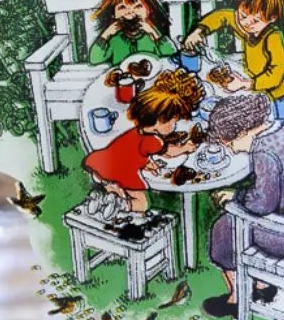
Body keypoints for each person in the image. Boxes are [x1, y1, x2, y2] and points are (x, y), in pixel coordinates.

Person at [202, 89, 284, 318]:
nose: (231, 149)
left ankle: (238, 297)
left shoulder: (263, 150)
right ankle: (262, 287)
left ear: (244, 131)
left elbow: (262, 204)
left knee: (223, 229)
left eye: (230, 142)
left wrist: (235, 197)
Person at [183, 0, 284, 125]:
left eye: (255, 20)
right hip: (263, 89)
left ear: (272, 19)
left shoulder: (273, 36)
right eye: (243, 15)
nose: (246, 23)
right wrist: (200, 31)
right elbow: (221, 16)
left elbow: (275, 74)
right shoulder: (243, 25)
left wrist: (244, 84)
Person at [81, 67, 203, 215]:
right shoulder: (154, 141)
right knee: (143, 203)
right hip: (120, 172)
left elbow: (133, 152)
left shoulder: (135, 131)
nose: (173, 126)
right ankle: (122, 205)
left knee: (113, 188)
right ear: (158, 119)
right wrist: (185, 148)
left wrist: (145, 163)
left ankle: (101, 199)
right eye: (171, 121)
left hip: (102, 166)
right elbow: (169, 152)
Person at [87, 0, 180, 65]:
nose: (130, 12)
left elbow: (172, 54)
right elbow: (94, 59)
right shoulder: (115, 39)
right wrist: (106, 35)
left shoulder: (152, 36)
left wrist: (154, 34)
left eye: (138, 6)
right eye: (122, 7)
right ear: (113, 12)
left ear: (150, 9)